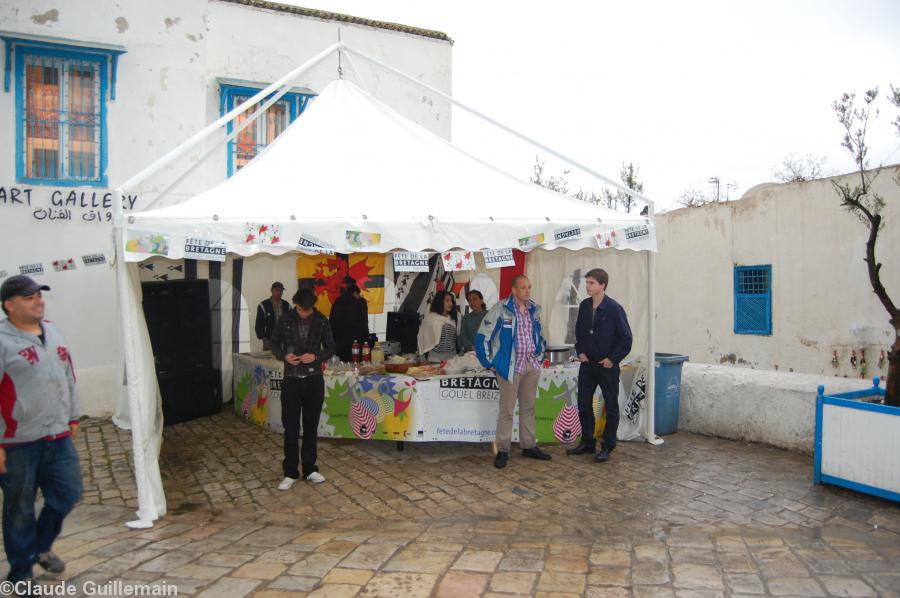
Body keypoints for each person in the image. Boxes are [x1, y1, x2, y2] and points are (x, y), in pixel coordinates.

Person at [0, 275, 83, 586]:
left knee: (68, 493)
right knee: (19, 509)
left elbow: (68, 375)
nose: (38, 300)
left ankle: (38, 548)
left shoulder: (54, 331)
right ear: (9, 305)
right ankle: (21, 575)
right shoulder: (3, 340)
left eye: (39, 294)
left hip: (58, 435)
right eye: (28, 296)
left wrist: (73, 416)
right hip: (17, 441)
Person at [475, 275, 551, 468]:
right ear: (514, 290)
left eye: (529, 287)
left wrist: (540, 355)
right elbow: (482, 336)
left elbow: (540, 335)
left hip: (531, 365)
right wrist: (489, 362)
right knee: (507, 410)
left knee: (528, 408)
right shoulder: (500, 309)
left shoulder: (533, 310)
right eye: (523, 288)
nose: (528, 291)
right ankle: (502, 450)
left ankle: (528, 445)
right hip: (510, 368)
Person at [269, 287, 336, 490]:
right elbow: (273, 343)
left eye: (308, 310)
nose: (305, 313)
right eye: (301, 309)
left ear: (313, 306)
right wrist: (284, 356)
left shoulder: (322, 320)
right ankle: (290, 471)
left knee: (311, 426)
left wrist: (316, 356)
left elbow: (331, 346)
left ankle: (310, 468)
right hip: (291, 379)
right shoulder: (285, 319)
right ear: (295, 304)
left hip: (314, 379)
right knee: (290, 427)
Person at [568, 268, 633, 463]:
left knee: (611, 406)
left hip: (607, 367)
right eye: (586, 283)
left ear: (602, 285)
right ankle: (588, 443)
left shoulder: (614, 309)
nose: (587, 286)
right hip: (587, 366)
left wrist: (612, 359)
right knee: (583, 405)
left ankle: (608, 445)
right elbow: (578, 333)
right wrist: (579, 351)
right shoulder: (585, 306)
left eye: (591, 283)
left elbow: (626, 339)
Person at [329, 284, 369, 362]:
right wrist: (366, 339)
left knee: (342, 368)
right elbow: (364, 322)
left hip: (339, 342)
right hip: (356, 342)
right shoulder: (360, 302)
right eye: (358, 294)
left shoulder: (337, 301)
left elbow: (331, 321)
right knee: (356, 365)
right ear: (355, 292)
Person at [417, 290, 459, 363]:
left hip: (452, 359)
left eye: (451, 301)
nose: (450, 303)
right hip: (434, 359)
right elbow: (421, 338)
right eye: (447, 301)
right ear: (440, 302)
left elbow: (455, 339)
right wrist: (422, 358)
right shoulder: (430, 318)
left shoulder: (454, 318)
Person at [255, 282, 291, 351]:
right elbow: (259, 324)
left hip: (284, 341)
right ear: (271, 290)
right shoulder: (263, 305)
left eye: (281, 290)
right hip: (269, 341)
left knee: (283, 360)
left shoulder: (287, 305)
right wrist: (264, 339)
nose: (279, 292)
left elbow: (292, 322)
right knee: (270, 361)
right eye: (277, 290)